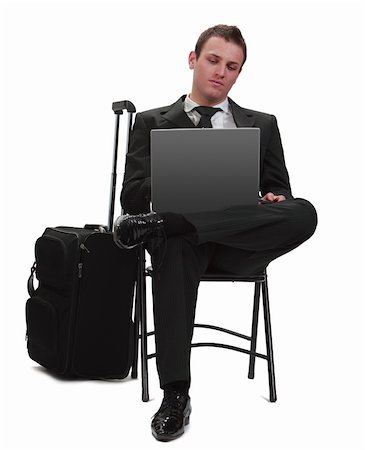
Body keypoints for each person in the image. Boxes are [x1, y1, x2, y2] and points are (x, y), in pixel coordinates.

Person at [114, 24, 317, 442]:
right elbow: (131, 201)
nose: (221, 72)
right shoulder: (152, 122)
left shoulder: (262, 124)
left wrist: (274, 200)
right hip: (180, 248)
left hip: (238, 246)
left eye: (233, 67)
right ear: (193, 59)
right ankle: (175, 394)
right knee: (173, 239)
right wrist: (173, 176)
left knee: (305, 212)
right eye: (213, 60)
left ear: (239, 73)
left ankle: (176, 222)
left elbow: (280, 191)